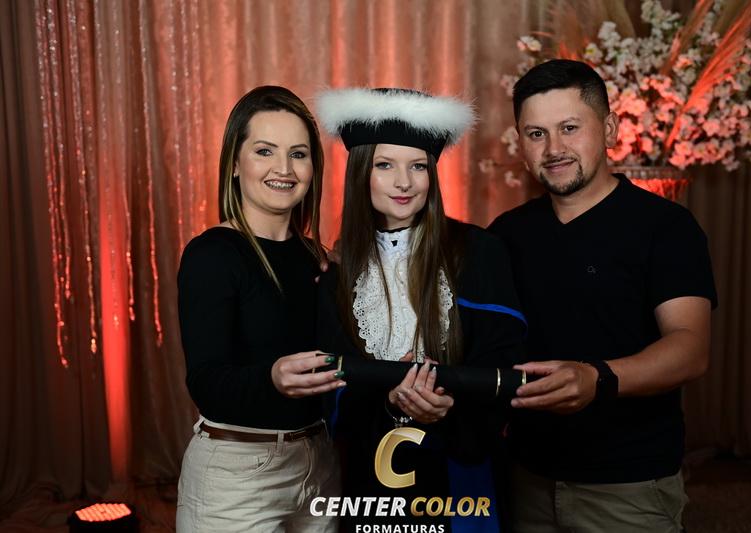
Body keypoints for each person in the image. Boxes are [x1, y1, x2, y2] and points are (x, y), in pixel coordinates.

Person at [489, 59, 718, 532]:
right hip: (525, 476)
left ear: (609, 129)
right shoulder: (505, 235)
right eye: (536, 134)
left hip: (629, 485)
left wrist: (598, 378)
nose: (554, 148)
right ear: (521, 144)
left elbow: (690, 348)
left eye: (570, 128)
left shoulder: (666, 227)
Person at [315, 87, 527, 532]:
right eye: (385, 165)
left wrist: (448, 403)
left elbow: (505, 361)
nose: (404, 182)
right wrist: (390, 399)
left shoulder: (478, 252)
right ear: (360, 173)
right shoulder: (336, 276)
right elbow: (327, 389)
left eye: (418, 166)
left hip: (461, 475)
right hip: (371, 479)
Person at [175, 85, 343, 532]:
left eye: (298, 154)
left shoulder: (320, 260)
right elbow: (205, 381)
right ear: (235, 163)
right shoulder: (212, 255)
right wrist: (271, 378)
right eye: (265, 151)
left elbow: (340, 366)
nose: (283, 169)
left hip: (319, 465)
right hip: (236, 476)